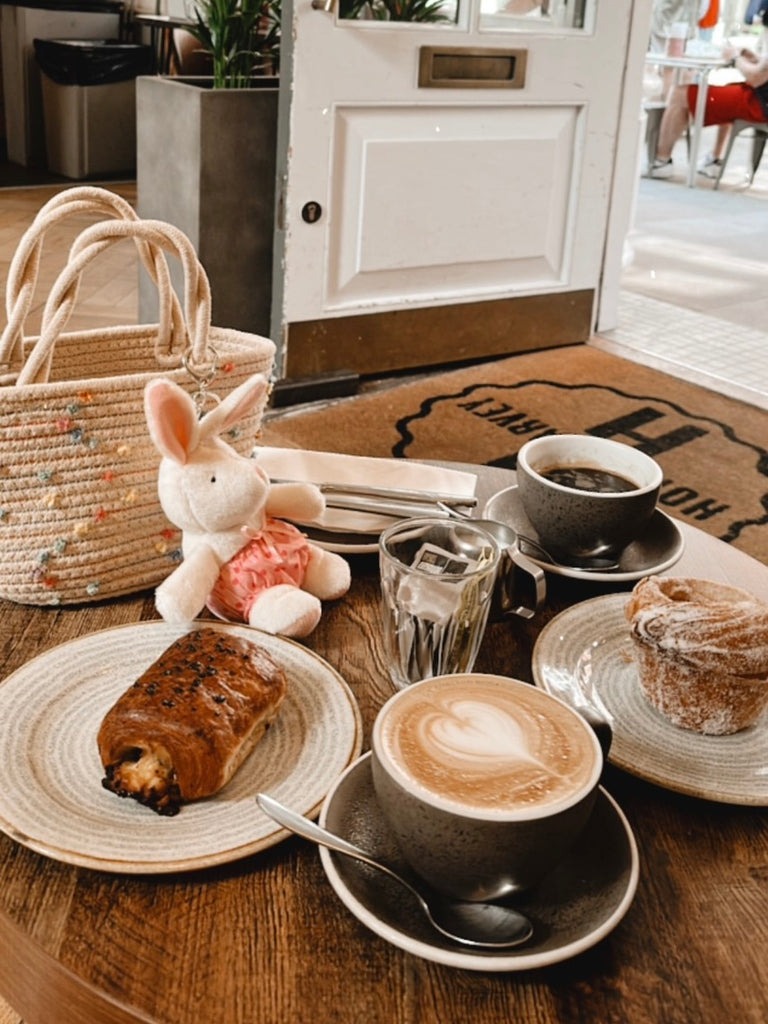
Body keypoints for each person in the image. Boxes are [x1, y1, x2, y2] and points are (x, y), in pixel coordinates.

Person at [650, 10, 768, 178]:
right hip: (759, 99)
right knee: (725, 89)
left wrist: (735, 59)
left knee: (680, 94)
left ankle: (661, 160)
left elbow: (757, 76)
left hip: (759, 104)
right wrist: (754, 58)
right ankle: (714, 159)